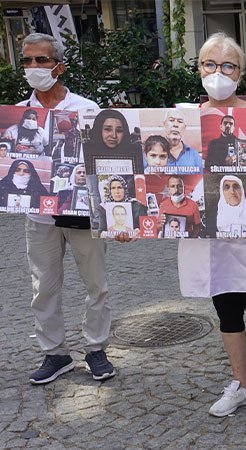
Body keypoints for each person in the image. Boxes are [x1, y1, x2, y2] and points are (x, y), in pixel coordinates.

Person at [170, 32, 246, 426]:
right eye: (209, 64)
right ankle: (243, 383)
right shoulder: (183, 119)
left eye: (228, 65)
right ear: (198, 68)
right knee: (225, 311)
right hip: (206, 237)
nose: (217, 72)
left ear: (241, 72)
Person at [15, 32, 114, 384]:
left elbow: (109, 161)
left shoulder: (87, 110)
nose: (33, 67)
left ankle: (96, 348)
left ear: (60, 66)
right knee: (43, 286)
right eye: (27, 60)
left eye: (41, 60)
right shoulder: (17, 116)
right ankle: (55, 354)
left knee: (95, 284)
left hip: (82, 212)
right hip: (38, 217)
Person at [85, 109, 142, 174]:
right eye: (108, 129)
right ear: (99, 130)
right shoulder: (86, 154)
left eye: (119, 131)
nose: (114, 136)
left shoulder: (136, 155)